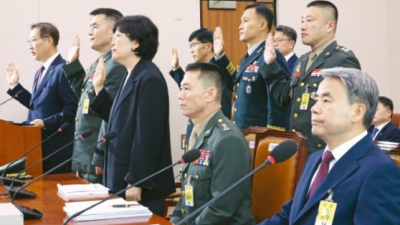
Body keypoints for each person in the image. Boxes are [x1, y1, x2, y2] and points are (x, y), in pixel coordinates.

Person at [258, 67, 400, 225]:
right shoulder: (315, 159)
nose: (314, 108)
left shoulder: (379, 170)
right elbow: (291, 217)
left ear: (357, 112)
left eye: (326, 101)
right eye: (315, 99)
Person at [90, 15, 175, 216]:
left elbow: (148, 136)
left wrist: (137, 180)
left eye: (118, 36)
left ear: (136, 42)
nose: (113, 42)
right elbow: (119, 122)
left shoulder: (149, 78)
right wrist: (99, 89)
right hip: (120, 174)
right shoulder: (132, 73)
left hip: (137, 183)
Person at [264, 1, 361, 155]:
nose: (302, 26)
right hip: (299, 148)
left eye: (309, 21)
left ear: (329, 26)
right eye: (302, 21)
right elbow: (283, 97)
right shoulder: (302, 61)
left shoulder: (342, 59)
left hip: (324, 150)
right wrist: (270, 64)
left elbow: (350, 107)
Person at [170, 62, 254, 225]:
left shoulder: (227, 140)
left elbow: (222, 208)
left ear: (210, 94)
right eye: (181, 88)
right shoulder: (198, 133)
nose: (180, 95)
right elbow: (187, 197)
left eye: (186, 89)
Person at [62, 8, 125, 184]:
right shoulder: (101, 61)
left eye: (94, 27)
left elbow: (111, 113)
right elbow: (85, 98)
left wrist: (100, 154)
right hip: (84, 156)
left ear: (113, 30)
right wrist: (73, 64)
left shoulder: (117, 66)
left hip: (96, 160)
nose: (89, 32)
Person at [6, 23, 78, 174]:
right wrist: (15, 86)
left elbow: (72, 109)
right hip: (35, 146)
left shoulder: (63, 69)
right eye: (28, 42)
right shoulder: (40, 72)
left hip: (54, 148)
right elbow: (38, 105)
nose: (29, 46)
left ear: (49, 40)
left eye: (33, 40)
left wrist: (45, 123)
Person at [212, 3, 289, 131]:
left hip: (259, 136)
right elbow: (235, 83)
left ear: (262, 24)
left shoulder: (271, 56)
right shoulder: (249, 56)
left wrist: (272, 136)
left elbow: (277, 103)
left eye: (245, 21)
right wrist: (220, 57)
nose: (240, 26)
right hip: (244, 133)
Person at [170, 28, 232, 151]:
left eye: (194, 45)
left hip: (210, 131)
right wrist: (176, 68)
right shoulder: (201, 70)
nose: (191, 50)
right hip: (196, 127)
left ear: (208, 46)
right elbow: (192, 90)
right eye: (190, 46)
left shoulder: (218, 70)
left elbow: (222, 105)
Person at [273, 25, 298, 131]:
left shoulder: (298, 64)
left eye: (279, 40)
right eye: (273, 40)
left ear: (291, 43)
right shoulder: (270, 64)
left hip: (287, 121)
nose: (275, 44)